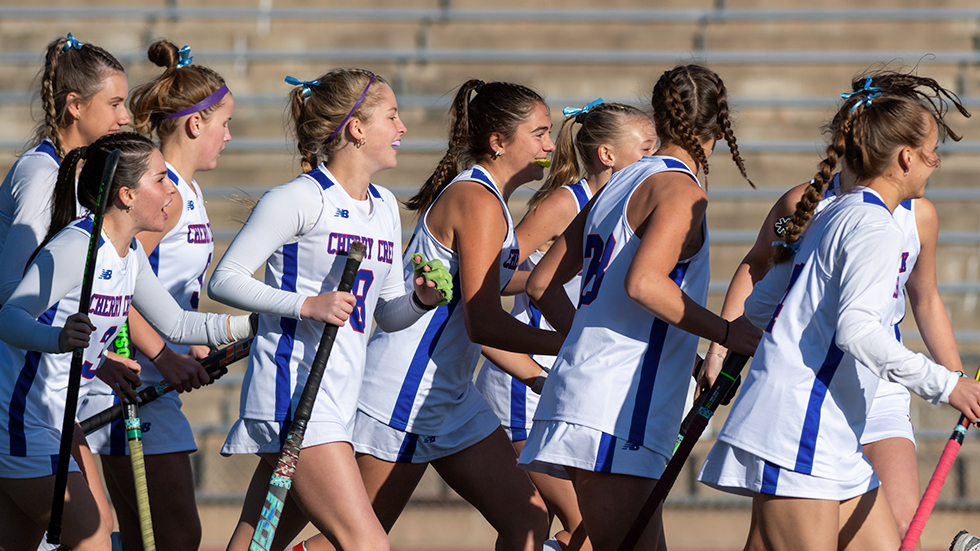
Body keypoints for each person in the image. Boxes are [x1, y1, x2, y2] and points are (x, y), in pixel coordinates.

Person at [697, 71, 971, 551]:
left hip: (825, 418)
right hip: (805, 421)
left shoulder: (833, 213)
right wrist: (948, 386)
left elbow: (764, 304)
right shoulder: (871, 225)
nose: (936, 163)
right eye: (932, 152)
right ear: (905, 157)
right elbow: (858, 332)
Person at [519, 64, 760, 551]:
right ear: (719, 126)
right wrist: (726, 334)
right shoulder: (680, 190)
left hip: (592, 395)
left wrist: (594, 346)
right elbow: (646, 284)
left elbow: (543, 284)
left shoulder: (619, 182)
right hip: (619, 407)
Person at [208, 68, 451, 551]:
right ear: (356, 129)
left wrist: (422, 300)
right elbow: (225, 279)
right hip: (294, 392)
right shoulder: (298, 198)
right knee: (367, 544)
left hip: (339, 397)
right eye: (392, 116)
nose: (403, 128)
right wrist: (308, 305)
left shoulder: (383, 207)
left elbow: (387, 314)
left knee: (259, 542)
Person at [0, 132, 254, 551]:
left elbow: (176, 324)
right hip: (22, 416)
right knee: (92, 539)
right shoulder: (77, 247)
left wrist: (258, 324)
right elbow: (9, 317)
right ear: (126, 195)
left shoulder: (128, 252)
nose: (172, 191)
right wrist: (58, 338)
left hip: (55, 417)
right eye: (160, 180)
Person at [340, 79, 563, 551]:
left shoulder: (492, 200)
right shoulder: (478, 200)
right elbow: (481, 321)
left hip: (450, 395)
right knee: (356, 543)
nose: (550, 145)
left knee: (528, 519)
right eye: (539, 133)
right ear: (498, 142)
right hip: (404, 392)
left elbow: (485, 291)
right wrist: (571, 343)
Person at [474, 99, 656, 551]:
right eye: (647, 148)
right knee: (582, 525)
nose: (655, 159)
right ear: (607, 155)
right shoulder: (566, 203)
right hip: (527, 384)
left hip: (571, 381)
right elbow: (491, 277)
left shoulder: (630, 206)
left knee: (545, 526)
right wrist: (551, 275)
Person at [76, 39, 232, 551]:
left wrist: (187, 346)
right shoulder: (163, 196)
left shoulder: (186, 190)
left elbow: (164, 294)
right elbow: (118, 282)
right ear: (194, 124)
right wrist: (164, 356)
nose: (228, 137)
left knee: (152, 537)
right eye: (223, 124)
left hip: (148, 373)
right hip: (128, 377)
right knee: (174, 536)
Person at [0, 32, 130, 538]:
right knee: (91, 534)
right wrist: (63, 342)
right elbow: (14, 296)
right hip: (21, 392)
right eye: (115, 103)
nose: (125, 116)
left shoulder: (79, 174)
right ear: (75, 106)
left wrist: (103, 354)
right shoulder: (42, 174)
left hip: (45, 392)